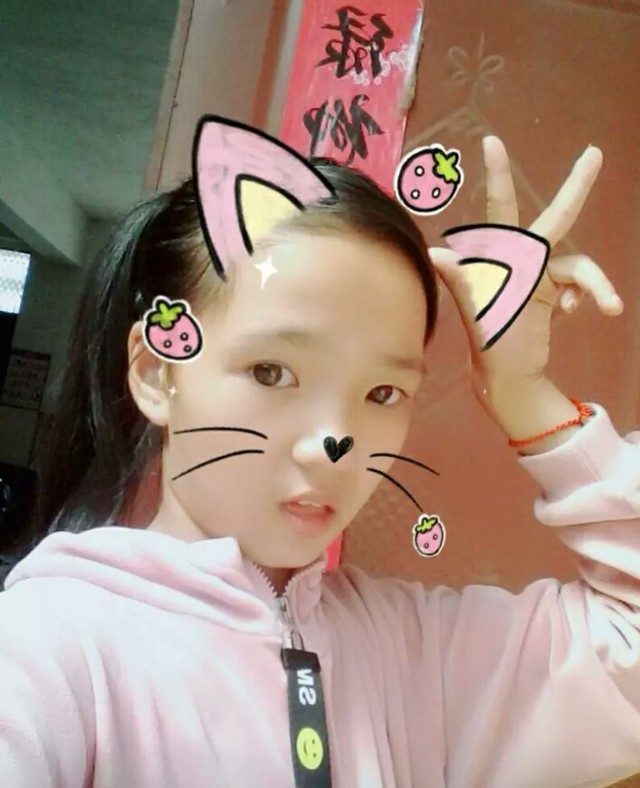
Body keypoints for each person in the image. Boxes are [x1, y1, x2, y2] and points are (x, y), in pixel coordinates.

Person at [0, 124, 638, 788]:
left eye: (383, 393)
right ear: (159, 372)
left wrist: (523, 390)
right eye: (272, 372)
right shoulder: (51, 650)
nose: (335, 445)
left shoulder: (412, 653)